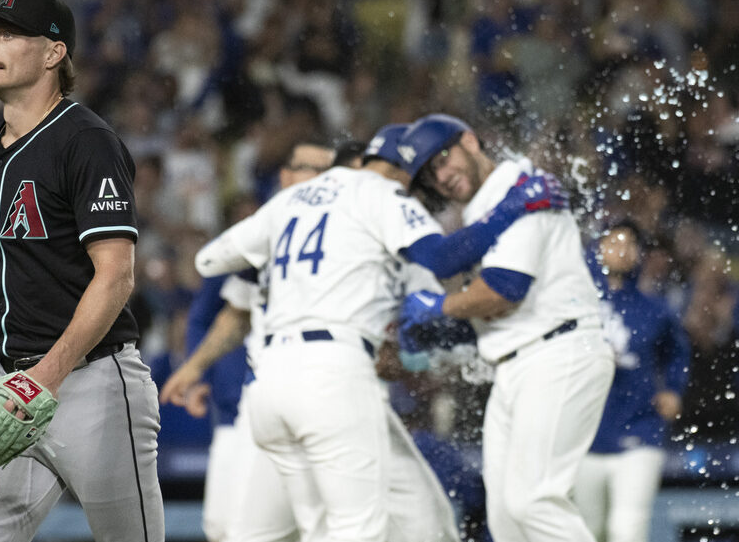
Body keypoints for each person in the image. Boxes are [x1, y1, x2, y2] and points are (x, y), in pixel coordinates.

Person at [191, 122, 563, 541]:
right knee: (358, 529)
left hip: (268, 381)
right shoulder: (380, 192)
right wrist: (512, 208)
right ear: (401, 167)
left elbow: (208, 261)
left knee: (340, 527)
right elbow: (441, 259)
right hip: (332, 372)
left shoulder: (289, 199)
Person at [0, 0, 162, 542]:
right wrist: (6, 376)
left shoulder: (86, 141)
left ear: (53, 53)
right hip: (9, 384)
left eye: (9, 34)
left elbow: (116, 274)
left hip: (92, 385)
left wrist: (44, 378)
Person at [396, 113, 615, 542]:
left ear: (470, 142)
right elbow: (486, 309)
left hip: (558, 351)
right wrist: (440, 324)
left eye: (443, 159)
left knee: (533, 502)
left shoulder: (519, 187)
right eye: (431, 173)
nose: (442, 176)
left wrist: (440, 305)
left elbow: (504, 291)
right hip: (519, 362)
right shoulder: (485, 208)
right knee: (506, 519)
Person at [170, 141, 335, 542]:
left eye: (325, 169)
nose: (318, 178)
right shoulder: (264, 232)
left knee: (317, 523)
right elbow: (215, 312)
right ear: (285, 176)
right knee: (230, 527)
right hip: (250, 399)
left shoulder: (342, 230)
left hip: (320, 391)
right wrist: (195, 370)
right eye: (307, 167)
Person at [573, 220, 690, 542]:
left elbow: (678, 353)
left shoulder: (654, 308)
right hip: (585, 434)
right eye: (612, 242)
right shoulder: (574, 303)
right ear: (596, 249)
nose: (621, 250)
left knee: (628, 530)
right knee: (586, 530)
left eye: (629, 244)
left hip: (641, 429)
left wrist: (673, 390)